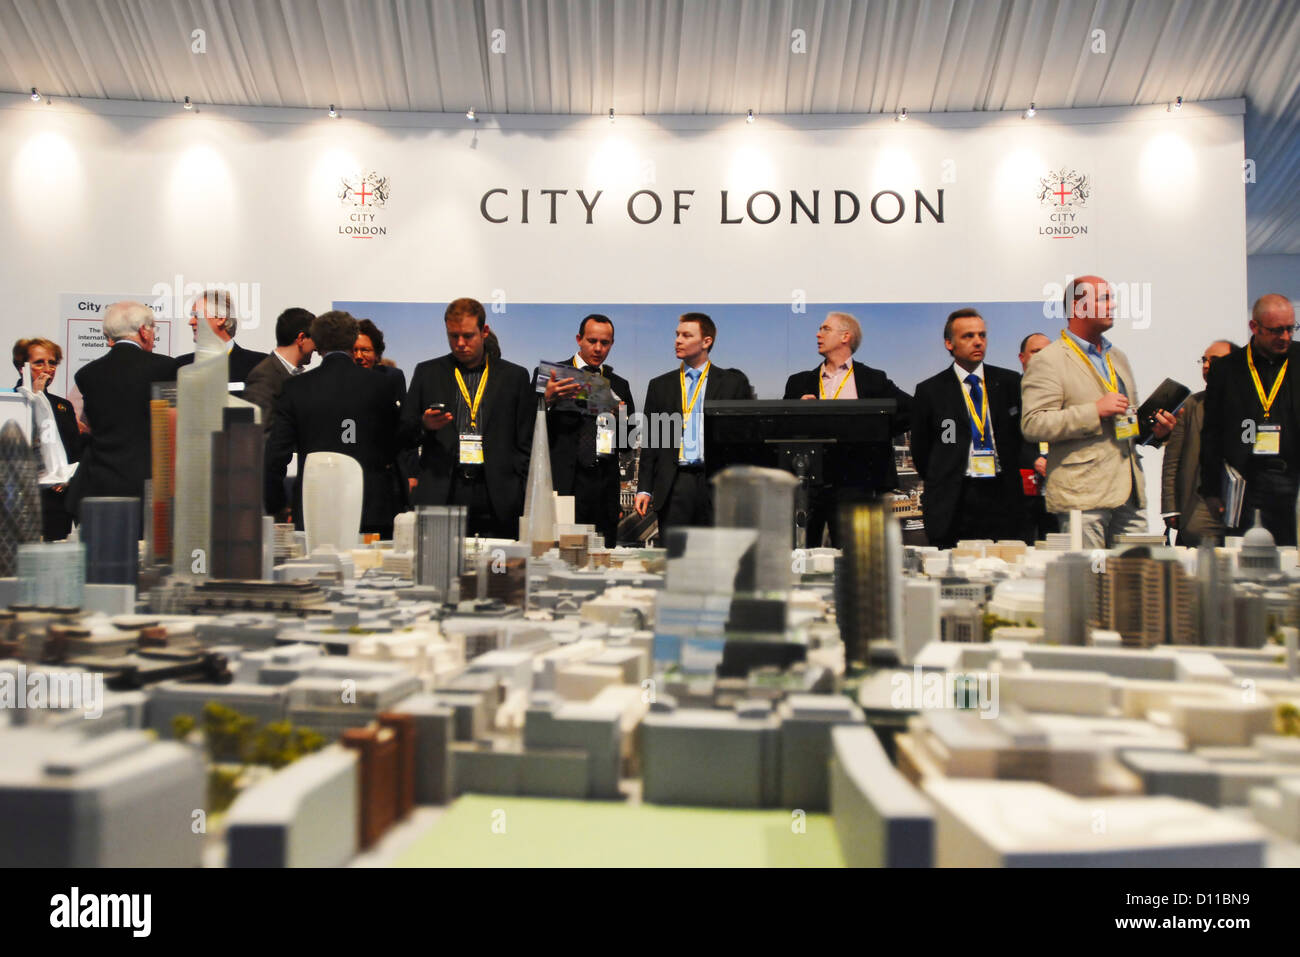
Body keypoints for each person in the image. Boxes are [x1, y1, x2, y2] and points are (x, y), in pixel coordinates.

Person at [1021, 275, 1176, 548]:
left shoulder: (1118, 357)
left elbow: (1127, 422)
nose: (1113, 304)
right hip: (1082, 495)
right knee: (1086, 583)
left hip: (1130, 492)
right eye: (1104, 298)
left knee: (1135, 579)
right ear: (1079, 307)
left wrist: (1155, 432)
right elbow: (1034, 424)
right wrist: (1094, 411)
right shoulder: (1049, 360)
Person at [401, 298, 534, 538]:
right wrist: (424, 425)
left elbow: (525, 443)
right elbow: (402, 434)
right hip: (443, 493)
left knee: (499, 572)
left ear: (484, 332)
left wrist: (519, 491)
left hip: (498, 496)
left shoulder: (514, 377)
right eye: (453, 336)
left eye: (467, 336)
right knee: (439, 570)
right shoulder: (427, 373)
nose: (460, 343)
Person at [264, 311, 402, 539]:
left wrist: (276, 504)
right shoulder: (381, 385)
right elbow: (394, 442)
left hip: (313, 508)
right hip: (370, 510)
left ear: (317, 344)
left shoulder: (295, 388)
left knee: (313, 573)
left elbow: (276, 455)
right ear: (352, 341)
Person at [782, 311, 912, 546]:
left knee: (854, 558)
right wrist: (797, 411)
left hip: (855, 483)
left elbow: (910, 411)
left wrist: (872, 431)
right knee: (801, 554)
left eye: (825, 329)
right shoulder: (798, 383)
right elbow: (780, 430)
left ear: (845, 336)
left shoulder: (873, 379)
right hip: (809, 484)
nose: (817, 334)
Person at [910, 310, 1027, 548]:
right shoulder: (931, 391)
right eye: (968, 336)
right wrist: (944, 477)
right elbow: (922, 452)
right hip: (955, 499)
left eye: (982, 335)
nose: (978, 341)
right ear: (949, 343)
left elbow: (1021, 436)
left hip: (1002, 493)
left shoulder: (1009, 383)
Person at [635, 313, 753, 538]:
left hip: (717, 484)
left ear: (706, 342)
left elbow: (744, 441)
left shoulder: (732, 384)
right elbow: (651, 442)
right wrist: (644, 488)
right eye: (677, 334)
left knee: (717, 559)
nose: (677, 340)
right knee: (675, 560)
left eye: (686, 335)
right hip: (674, 484)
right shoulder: (660, 385)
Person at [1200, 294, 1300, 545]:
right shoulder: (1226, 370)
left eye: (1291, 328)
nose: (1286, 337)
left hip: (1293, 481)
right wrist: (1211, 491)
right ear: (1254, 327)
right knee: (1244, 563)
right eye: (1277, 331)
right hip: (1245, 486)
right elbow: (1211, 434)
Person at [66, 301, 178, 519]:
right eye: (154, 328)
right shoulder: (165, 368)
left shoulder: (87, 374)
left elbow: (91, 426)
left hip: (99, 486)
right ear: (144, 331)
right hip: (151, 488)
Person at [541, 314, 636, 547]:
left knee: (602, 564)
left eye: (605, 343)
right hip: (562, 486)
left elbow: (627, 444)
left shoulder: (620, 385)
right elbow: (525, 428)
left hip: (603, 492)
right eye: (592, 341)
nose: (598, 348)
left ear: (612, 344)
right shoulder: (552, 376)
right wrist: (546, 399)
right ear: (578, 339)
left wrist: (620, 418)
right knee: (559, 558)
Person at [1160, 340, 1233, 546]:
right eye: (1204, 361)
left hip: (1237, 508)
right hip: (1197, 508)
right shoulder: (1192, 405)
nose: (1207, 366)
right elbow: (1172, 460)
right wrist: (1170, 507)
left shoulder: (1250, 404)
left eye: (1215, 360)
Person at [13, 338, 81, 539]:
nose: (47, 368)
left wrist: (66, 477)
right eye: (39, 362)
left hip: (56, 500)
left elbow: (73, 449)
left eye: (52, 363)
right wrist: (37, 397)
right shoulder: (12, 402)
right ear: (22, 367)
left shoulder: (63, 406)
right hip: (19, 498)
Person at [243, 308, 315, 433]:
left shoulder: (294, 375)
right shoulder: (264, 376)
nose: (316, 348)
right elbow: (260, 433)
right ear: (301, 338)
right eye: (315, 338)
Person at [175, 289, 268, 386]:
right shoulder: (181, 365)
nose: (191, 322)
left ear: (220, 318)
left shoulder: (259, 364)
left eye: (197, 316)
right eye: (192, 316)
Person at [1017, 332, 1056, 540]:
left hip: (1057, 485)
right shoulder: (1010, 391)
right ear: (1022, 358)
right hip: (1022, 487)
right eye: (1036, 352)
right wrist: (1034, 460)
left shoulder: (1064, 393)